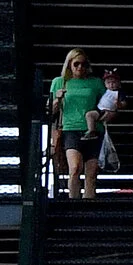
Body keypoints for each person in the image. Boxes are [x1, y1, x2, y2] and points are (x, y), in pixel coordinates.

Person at [48, 50, 105, 199]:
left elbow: (107, 104)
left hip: (93, 130)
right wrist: (57, 99)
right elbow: (50, 110)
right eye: (76, 64)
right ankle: (74, 202)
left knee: (91, 173)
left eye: (84, 64)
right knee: (75, 168)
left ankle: (89, 204)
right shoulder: (59, 82)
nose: (80, 67)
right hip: (71, 129)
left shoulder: (96, 83)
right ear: (70, 65)